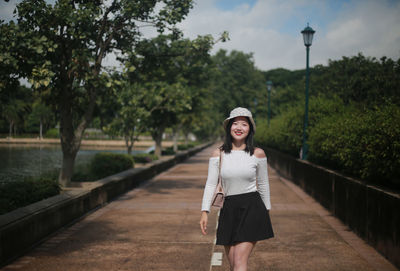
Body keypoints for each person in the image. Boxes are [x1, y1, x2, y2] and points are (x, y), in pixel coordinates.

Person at [199, 107, 274, 271]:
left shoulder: (258, 154)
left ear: (250, 129)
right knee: (233, 262)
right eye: (235, 123)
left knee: (240, 262)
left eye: (244, 124)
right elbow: (211, 184)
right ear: (229, 127)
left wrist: (266, 212)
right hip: (229, 209)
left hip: (252, 208)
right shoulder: (218, 154)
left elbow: (263, 184)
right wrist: (205, 211)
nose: (239, 128)